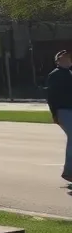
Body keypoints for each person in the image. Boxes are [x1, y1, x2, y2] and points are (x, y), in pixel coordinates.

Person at [46, 49, 72, 183]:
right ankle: (69, 172)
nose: (68, 59)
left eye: (69, 57)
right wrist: (54, 114)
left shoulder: (69, 74)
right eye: (65, 57)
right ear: (58, 61)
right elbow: (51, 97)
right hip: (63, 111)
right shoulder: (55, 75)